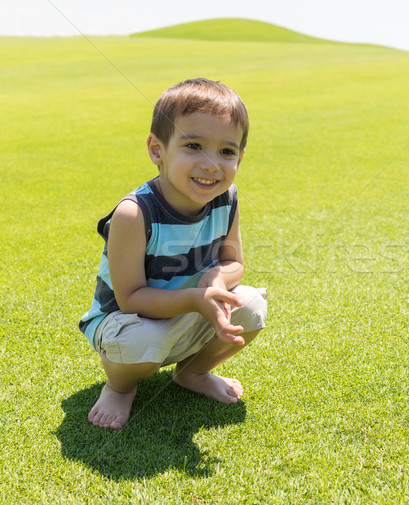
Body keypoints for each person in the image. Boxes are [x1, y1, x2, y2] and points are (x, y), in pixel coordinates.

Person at [79, 78, 268, 430]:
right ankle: (120, 387)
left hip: (191, 307)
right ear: (157, 150)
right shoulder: (134, 213)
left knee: (252, 305)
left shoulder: (227, 200)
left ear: (240, 157)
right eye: (193, 145)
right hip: (128, 321)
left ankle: (193, 373)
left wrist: (216, 279)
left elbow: (235, 263)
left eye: (226, 151)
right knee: (139, 341)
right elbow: (131, 298)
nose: (212, 164)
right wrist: (198, 298)